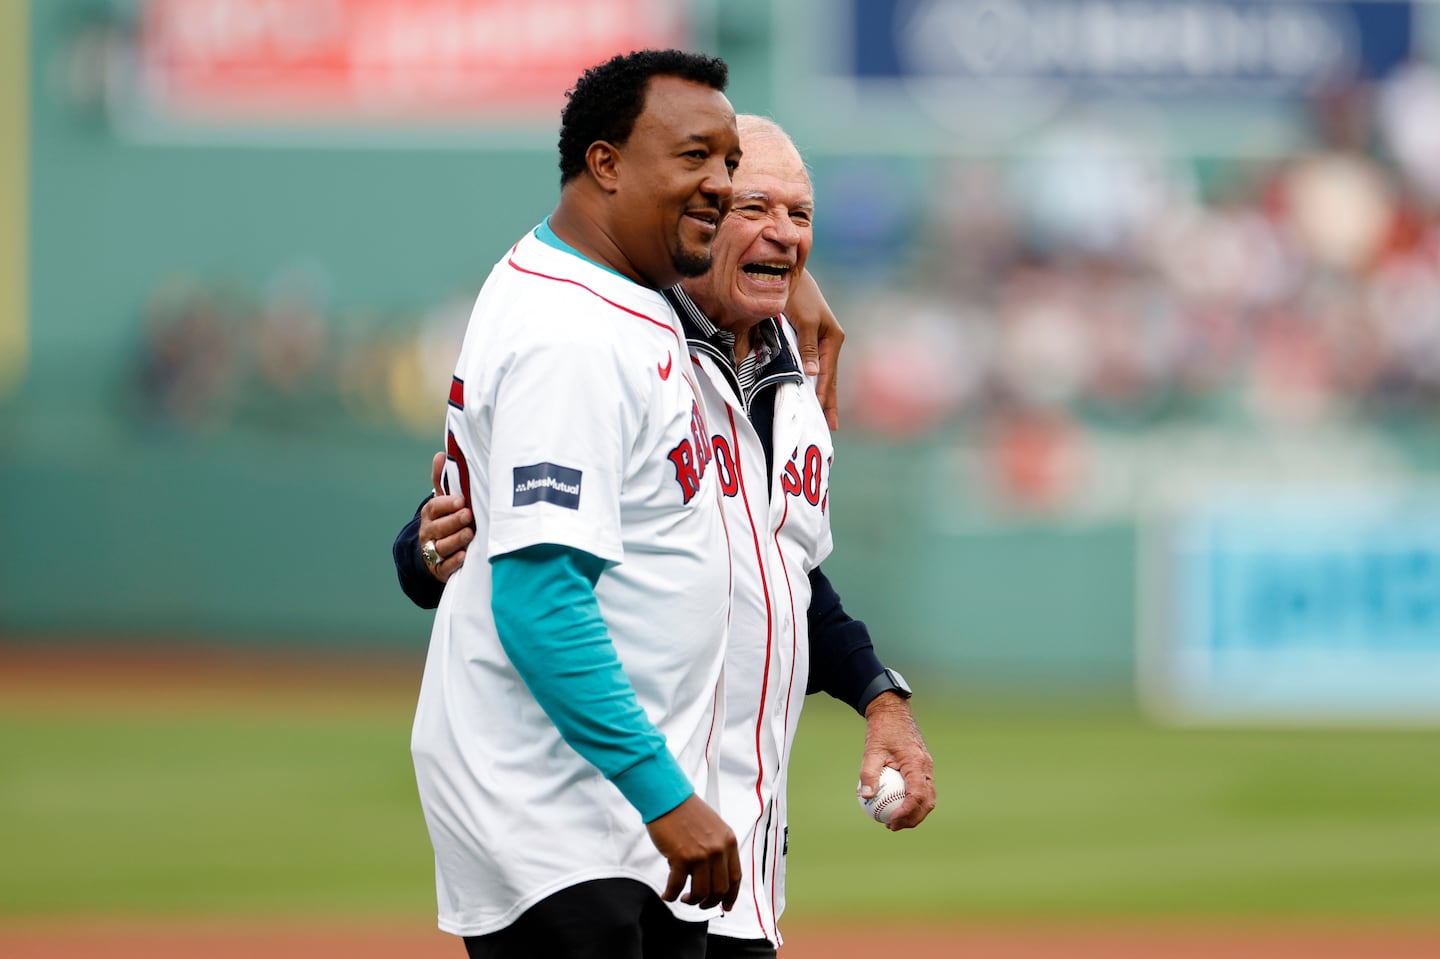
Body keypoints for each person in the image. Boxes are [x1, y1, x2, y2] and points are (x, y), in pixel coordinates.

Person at [400, 113, 937, 958]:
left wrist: (879, 694)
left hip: (739, 851)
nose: (783, 232)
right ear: (694, 215)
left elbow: (783, 573)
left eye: (801, 214)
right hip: (613, 825)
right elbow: (483, 536)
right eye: (752, 204)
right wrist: (427, 550)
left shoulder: (798, 382)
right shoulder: (615, 342)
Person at [408, 50, 746, 959]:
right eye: (694, 157)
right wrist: (665, 795)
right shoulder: (575, 337)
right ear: (605, 163)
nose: (719, 184)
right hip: (555, 803)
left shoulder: (612, 290)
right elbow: (540, 596)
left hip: (608, 795)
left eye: (730, 162)